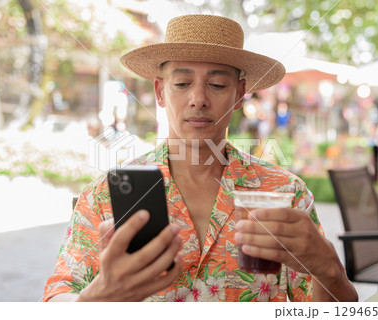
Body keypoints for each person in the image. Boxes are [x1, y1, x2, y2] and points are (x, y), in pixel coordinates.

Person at [43, 14, 357, 302]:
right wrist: (95, 300)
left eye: (217, 84)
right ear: (160, 93)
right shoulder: (108, 194)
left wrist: (330, 271)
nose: (198, 99)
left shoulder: (284, 193)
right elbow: (58, 296)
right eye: (181, 83)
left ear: (238, 94)